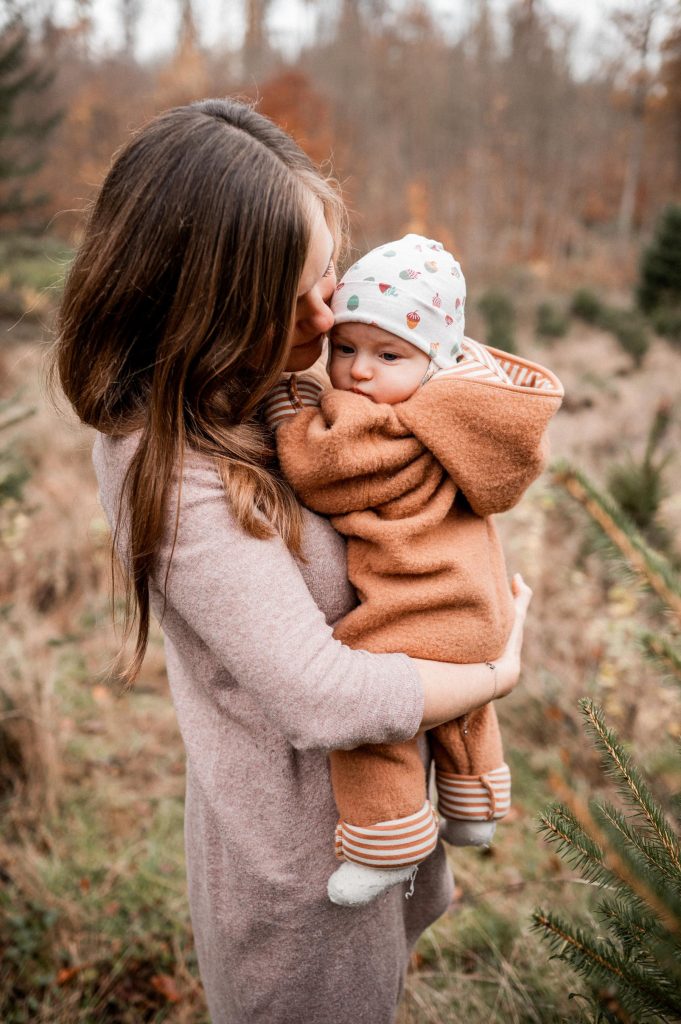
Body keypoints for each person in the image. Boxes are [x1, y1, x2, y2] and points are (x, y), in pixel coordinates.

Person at [54, 99, 532, 1024]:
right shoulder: (170, 466)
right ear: (211, 303)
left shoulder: (272, 380)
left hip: (378, 819)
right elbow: (320, 695)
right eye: (300, 295)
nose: (331, 315)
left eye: (330, 276)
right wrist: (489, 672)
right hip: (301, 869)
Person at [265, 233, 564, 907]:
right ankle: (473, 806)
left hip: (418, 612)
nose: (358, 372)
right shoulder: (468, 418)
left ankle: (386, 839)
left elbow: (323, 472)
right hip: (479, 607)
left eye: (387, 354)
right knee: (465, 712)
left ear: (432, 362)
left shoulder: (392, 429)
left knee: (374, 711)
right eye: (345, 349)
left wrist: (292, 413)